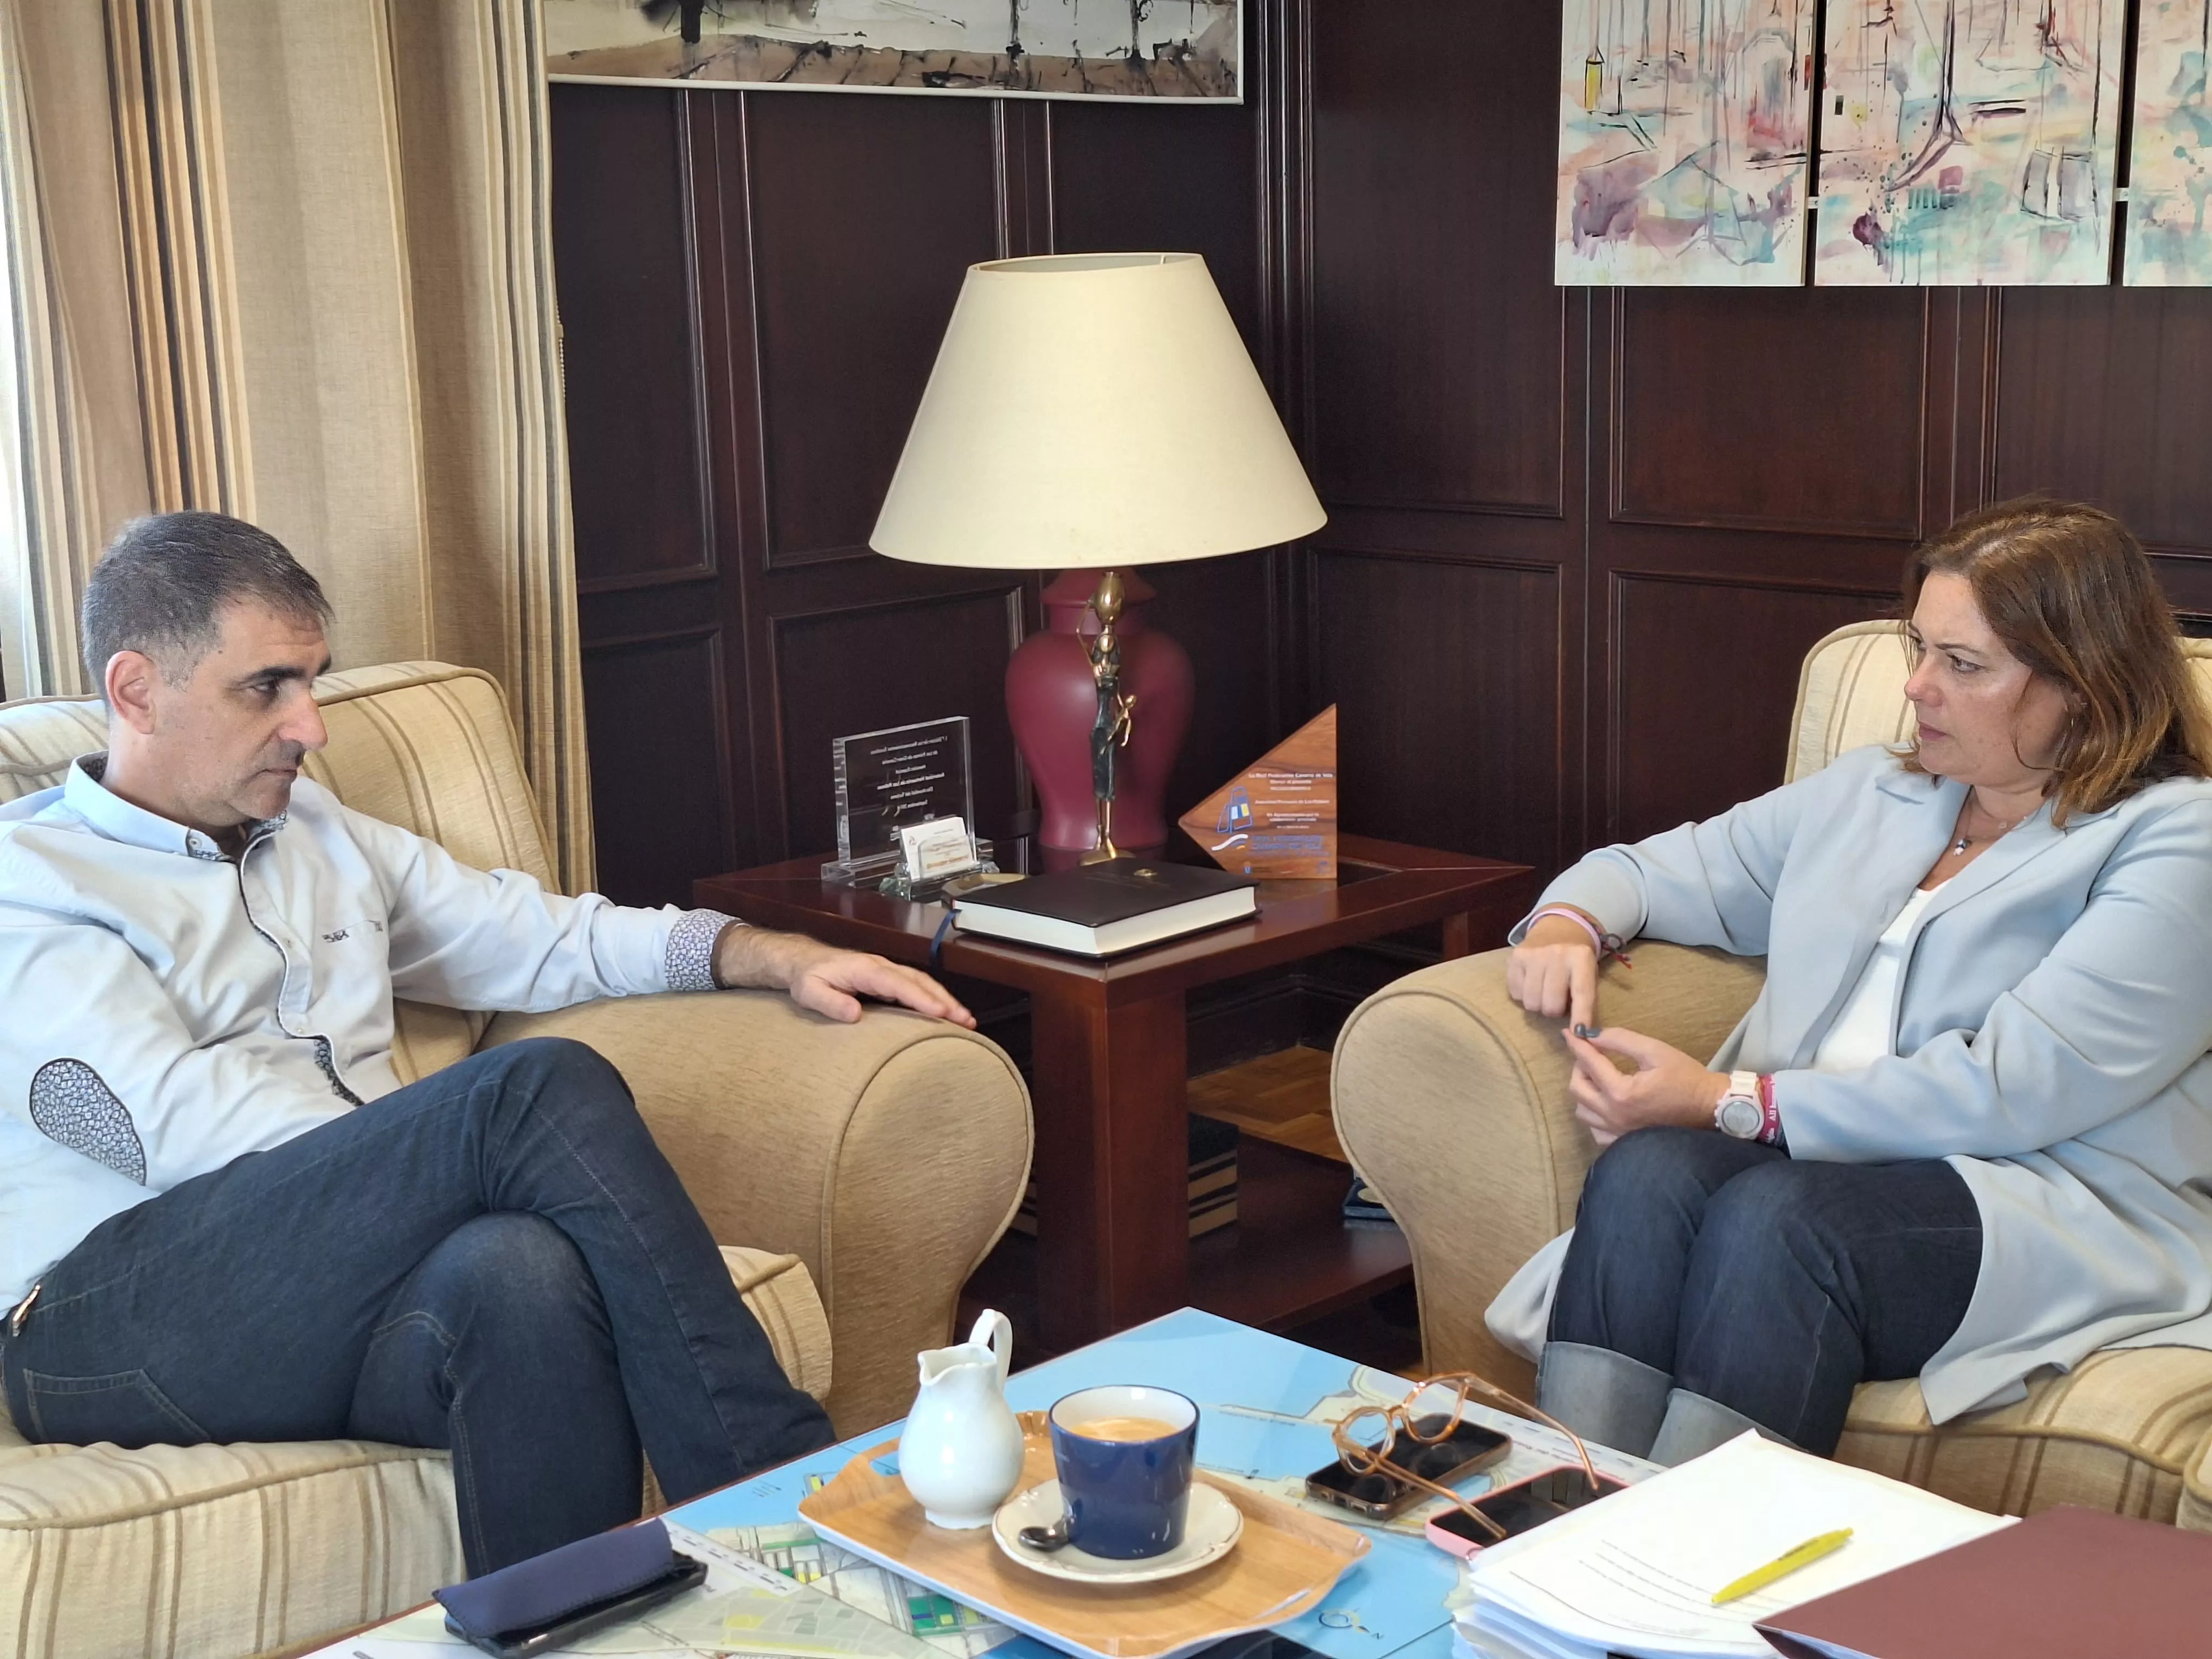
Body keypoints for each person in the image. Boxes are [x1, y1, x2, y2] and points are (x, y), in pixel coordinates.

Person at [0, 511, 978, 1575]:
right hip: (103, 1325)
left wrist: (758, 953)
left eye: (315, 681)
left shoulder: (314, 831)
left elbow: (528, 932)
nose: (311, 727)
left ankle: (568, 1627)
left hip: (315, 1296)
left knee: (518, 1271)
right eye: (267, 687)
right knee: (526, 1097)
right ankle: (789, 1507)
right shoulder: (33, 884)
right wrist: (443, 1150)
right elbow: (173, 1127)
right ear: (138, 689)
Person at [1491, 498, 2212, 1467]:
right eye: (1920, 647)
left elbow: (2015, 1085)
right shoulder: (1881, 790)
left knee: (1778, 1221)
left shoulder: (2176, 839)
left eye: (1963, 665)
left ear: (2081, 686)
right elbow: (1663, 870)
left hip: (2038, 1197)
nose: (1917, 687)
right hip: (1820, 1166)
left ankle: (1692, 1578)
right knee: (1646, 1172)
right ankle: (1564, 1513)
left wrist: (1730, 1103)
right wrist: (1567, 922)